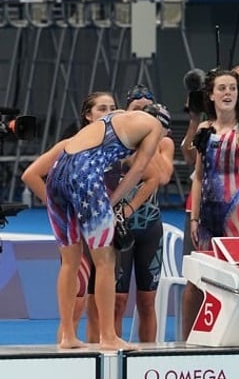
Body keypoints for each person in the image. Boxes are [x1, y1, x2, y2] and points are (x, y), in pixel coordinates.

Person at [44, 109, 162, 351]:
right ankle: (108, 336)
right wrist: (114, 202)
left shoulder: (115, 117)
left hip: (57, 172)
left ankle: (67, 335)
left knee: (70, 261)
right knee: (106, 260)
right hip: (86, 175)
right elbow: (139, 170)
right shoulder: (154, 126)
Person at [180, 68, 239, 340]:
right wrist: (194, 219)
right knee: (196, 285)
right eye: (222, 88)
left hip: (238, 225)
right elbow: (198, 177)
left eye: (232, 88)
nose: (228, 93)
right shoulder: (205, 130)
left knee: (238, 287)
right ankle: (187, 346)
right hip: (206, 224)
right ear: (211, 95)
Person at [23, 91, 115, 345]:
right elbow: (31, 174)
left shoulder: (117, 149)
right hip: (79, 232)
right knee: (78, 302)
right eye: (101, 109)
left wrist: (121, 205)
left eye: (112, 108)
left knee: (105, 301)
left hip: (103, 228)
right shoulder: (69, 146)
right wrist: (60, 208)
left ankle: (105, 346)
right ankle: (67, 340)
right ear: (88, 115)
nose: (108, 114)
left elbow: (153, 175)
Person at [108, 88, 173, 343]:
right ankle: (114, 356)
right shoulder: (117, 140)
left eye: (150, 110)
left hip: (150, 229)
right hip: (120, 227)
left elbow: (164, 176)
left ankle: (149, 359)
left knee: (147, 301)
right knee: (117, 301)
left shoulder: (163, 143)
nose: (145, 115)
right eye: (138, 109)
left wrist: (151, 139)